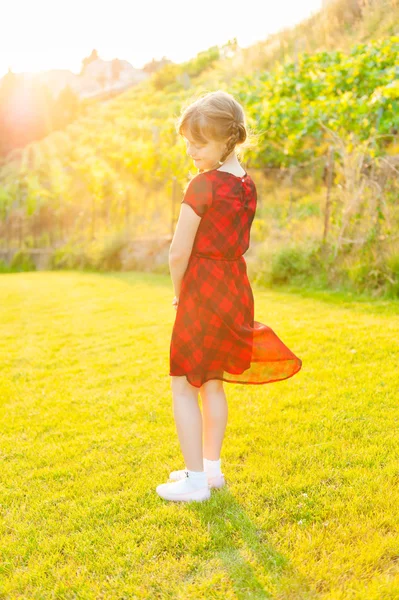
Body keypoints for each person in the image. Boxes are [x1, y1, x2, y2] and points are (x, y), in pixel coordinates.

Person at [156, 90, 302, 503]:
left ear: (227, 141)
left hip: (203, 290)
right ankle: (211, 472)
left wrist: (179, 294)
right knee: (213, 382)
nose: (190, 151)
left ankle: (195, 480)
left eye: (199, 144)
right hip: (235, 288)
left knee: (184, 383)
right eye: (187, 142)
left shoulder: (203, 186)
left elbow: (178, 251)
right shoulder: (246, 184)